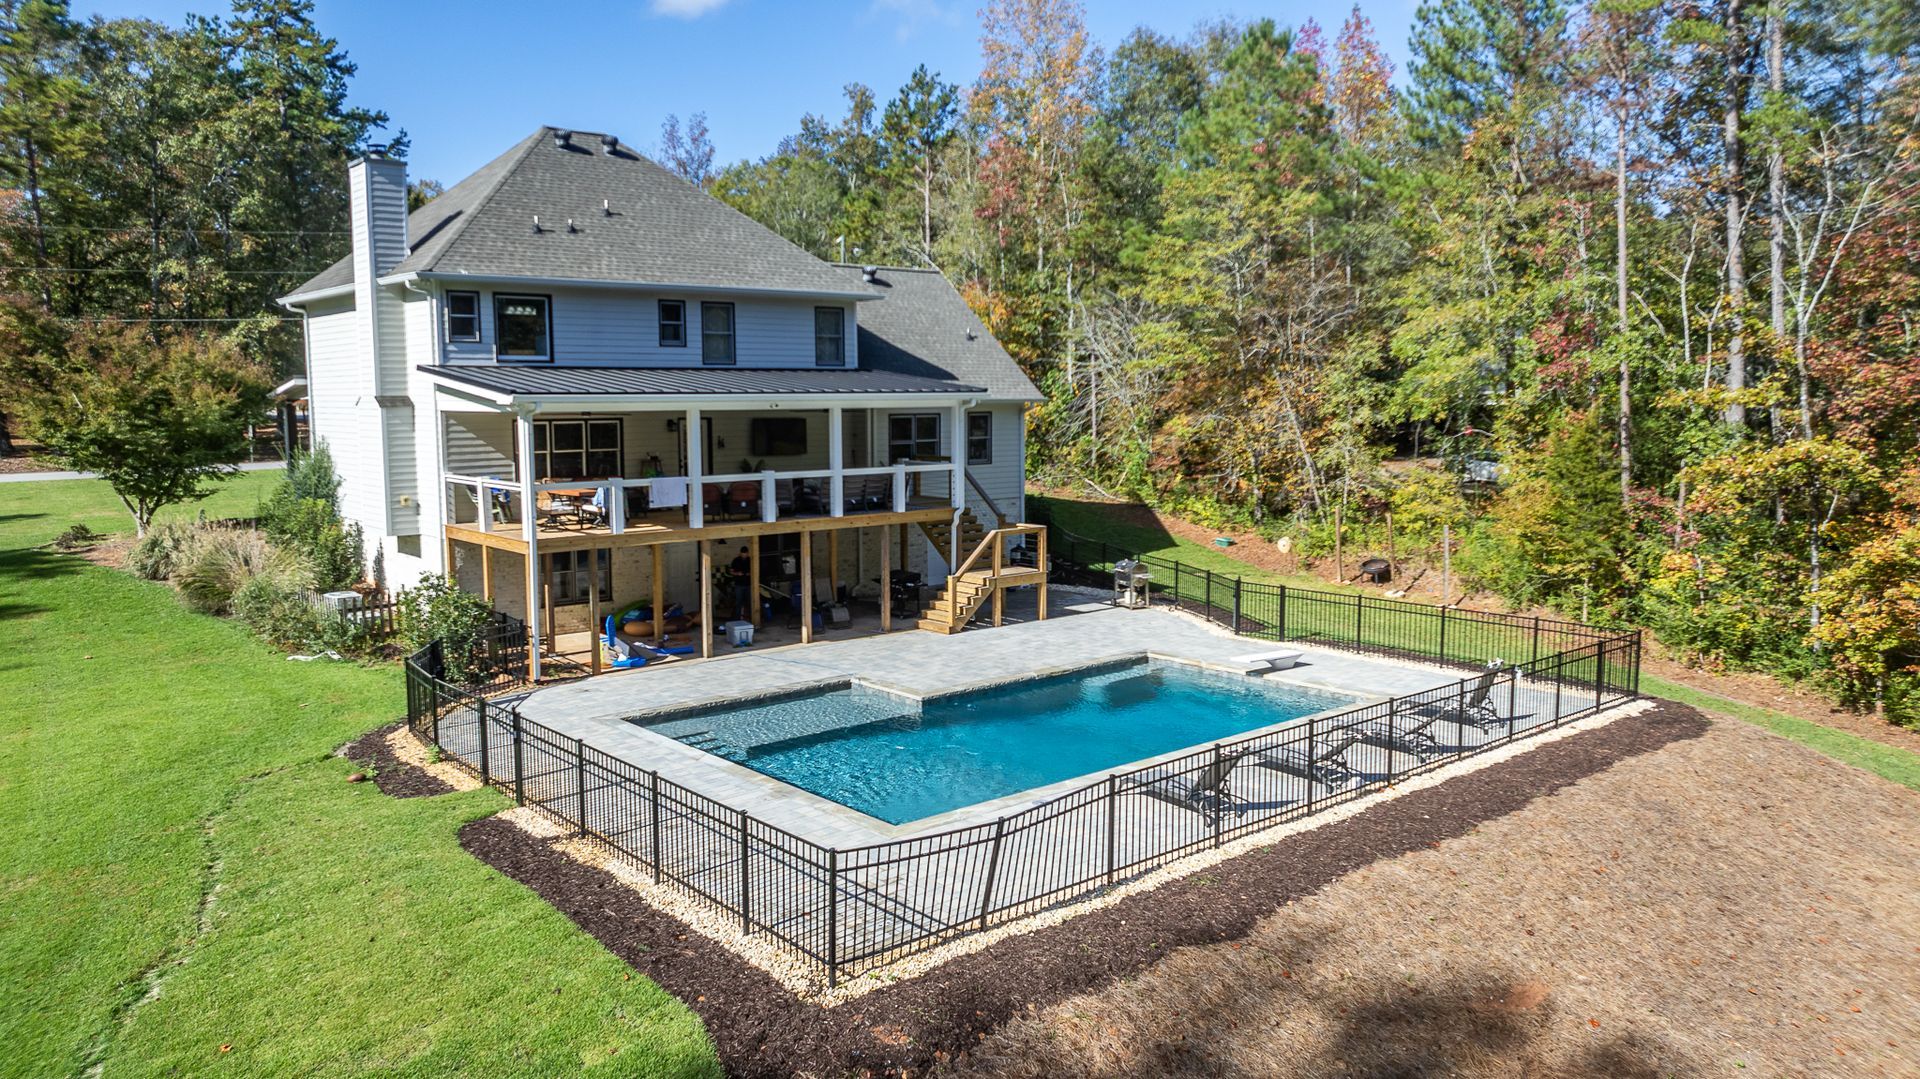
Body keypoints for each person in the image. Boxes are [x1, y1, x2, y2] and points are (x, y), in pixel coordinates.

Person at [729, 545, 752, 621]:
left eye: (745, 553)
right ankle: (737, 619)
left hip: (748, 584)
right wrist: (738, 573)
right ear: (740, 553)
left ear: (748, 553)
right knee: (738, 602)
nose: (744, 555)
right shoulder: (736, 560)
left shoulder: (750, 560)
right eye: (743, 553)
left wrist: (750, 574)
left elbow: (755, 570)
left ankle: (750, 618)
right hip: (739, 584)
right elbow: (731, 572)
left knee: (749, 602)